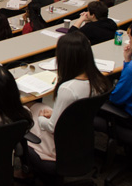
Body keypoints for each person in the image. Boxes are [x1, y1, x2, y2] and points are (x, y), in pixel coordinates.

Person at [28, 31, 111, 161]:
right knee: (38, 106)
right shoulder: (98, 80)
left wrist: (40, 119)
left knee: (27, 113)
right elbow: (76, 110)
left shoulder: (68, 89)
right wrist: (55, 113)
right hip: (79, 134)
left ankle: (25, 170)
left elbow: (52, 127)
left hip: (60, 143)